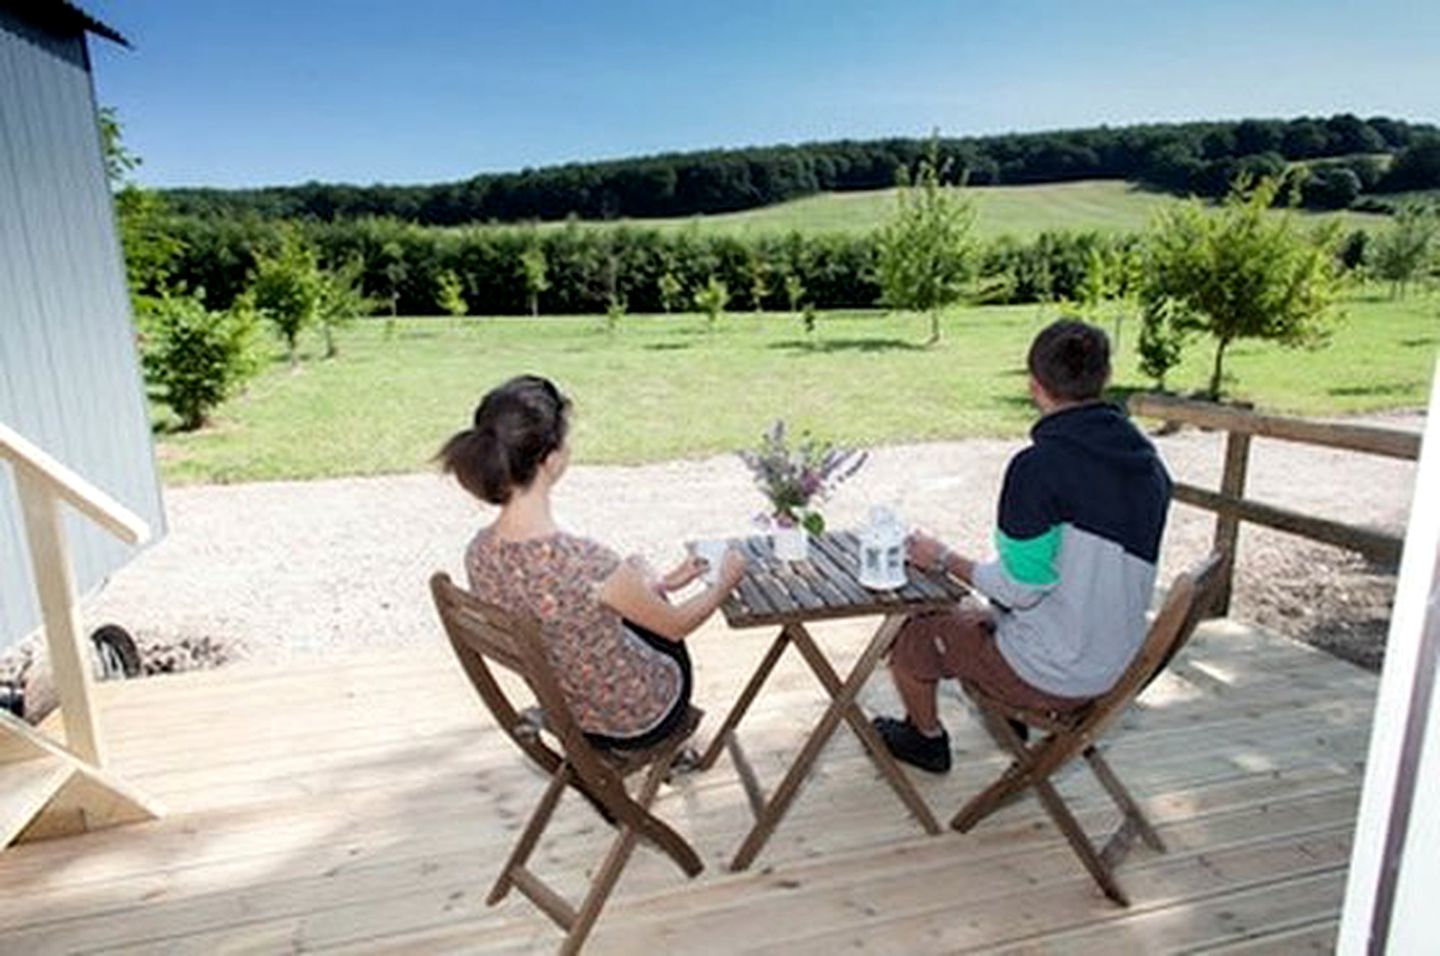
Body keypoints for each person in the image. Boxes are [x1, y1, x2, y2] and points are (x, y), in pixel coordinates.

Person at [873, 319, 1173, 773]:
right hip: (1116, 664)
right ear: (1105, 378)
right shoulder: (1147, 464)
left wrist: (942, 558)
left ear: (1035, 385)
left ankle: (926, 739)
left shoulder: (1038, 469)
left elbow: (1019, 590)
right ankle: (1003, 721)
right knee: (969, 614)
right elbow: (1066, 582)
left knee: (913, 635)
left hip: (1056, 672)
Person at [438, 374, 747, 750]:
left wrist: (658, 583)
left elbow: (570, 612)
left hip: (566, 710)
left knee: (636, 571)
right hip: (636, 716)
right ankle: (653, 585)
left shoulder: (480, 552)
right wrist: (724, 582)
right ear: (550, 460)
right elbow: (677, 627)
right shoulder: (585, 561)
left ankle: (652, 583)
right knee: (638, 578)